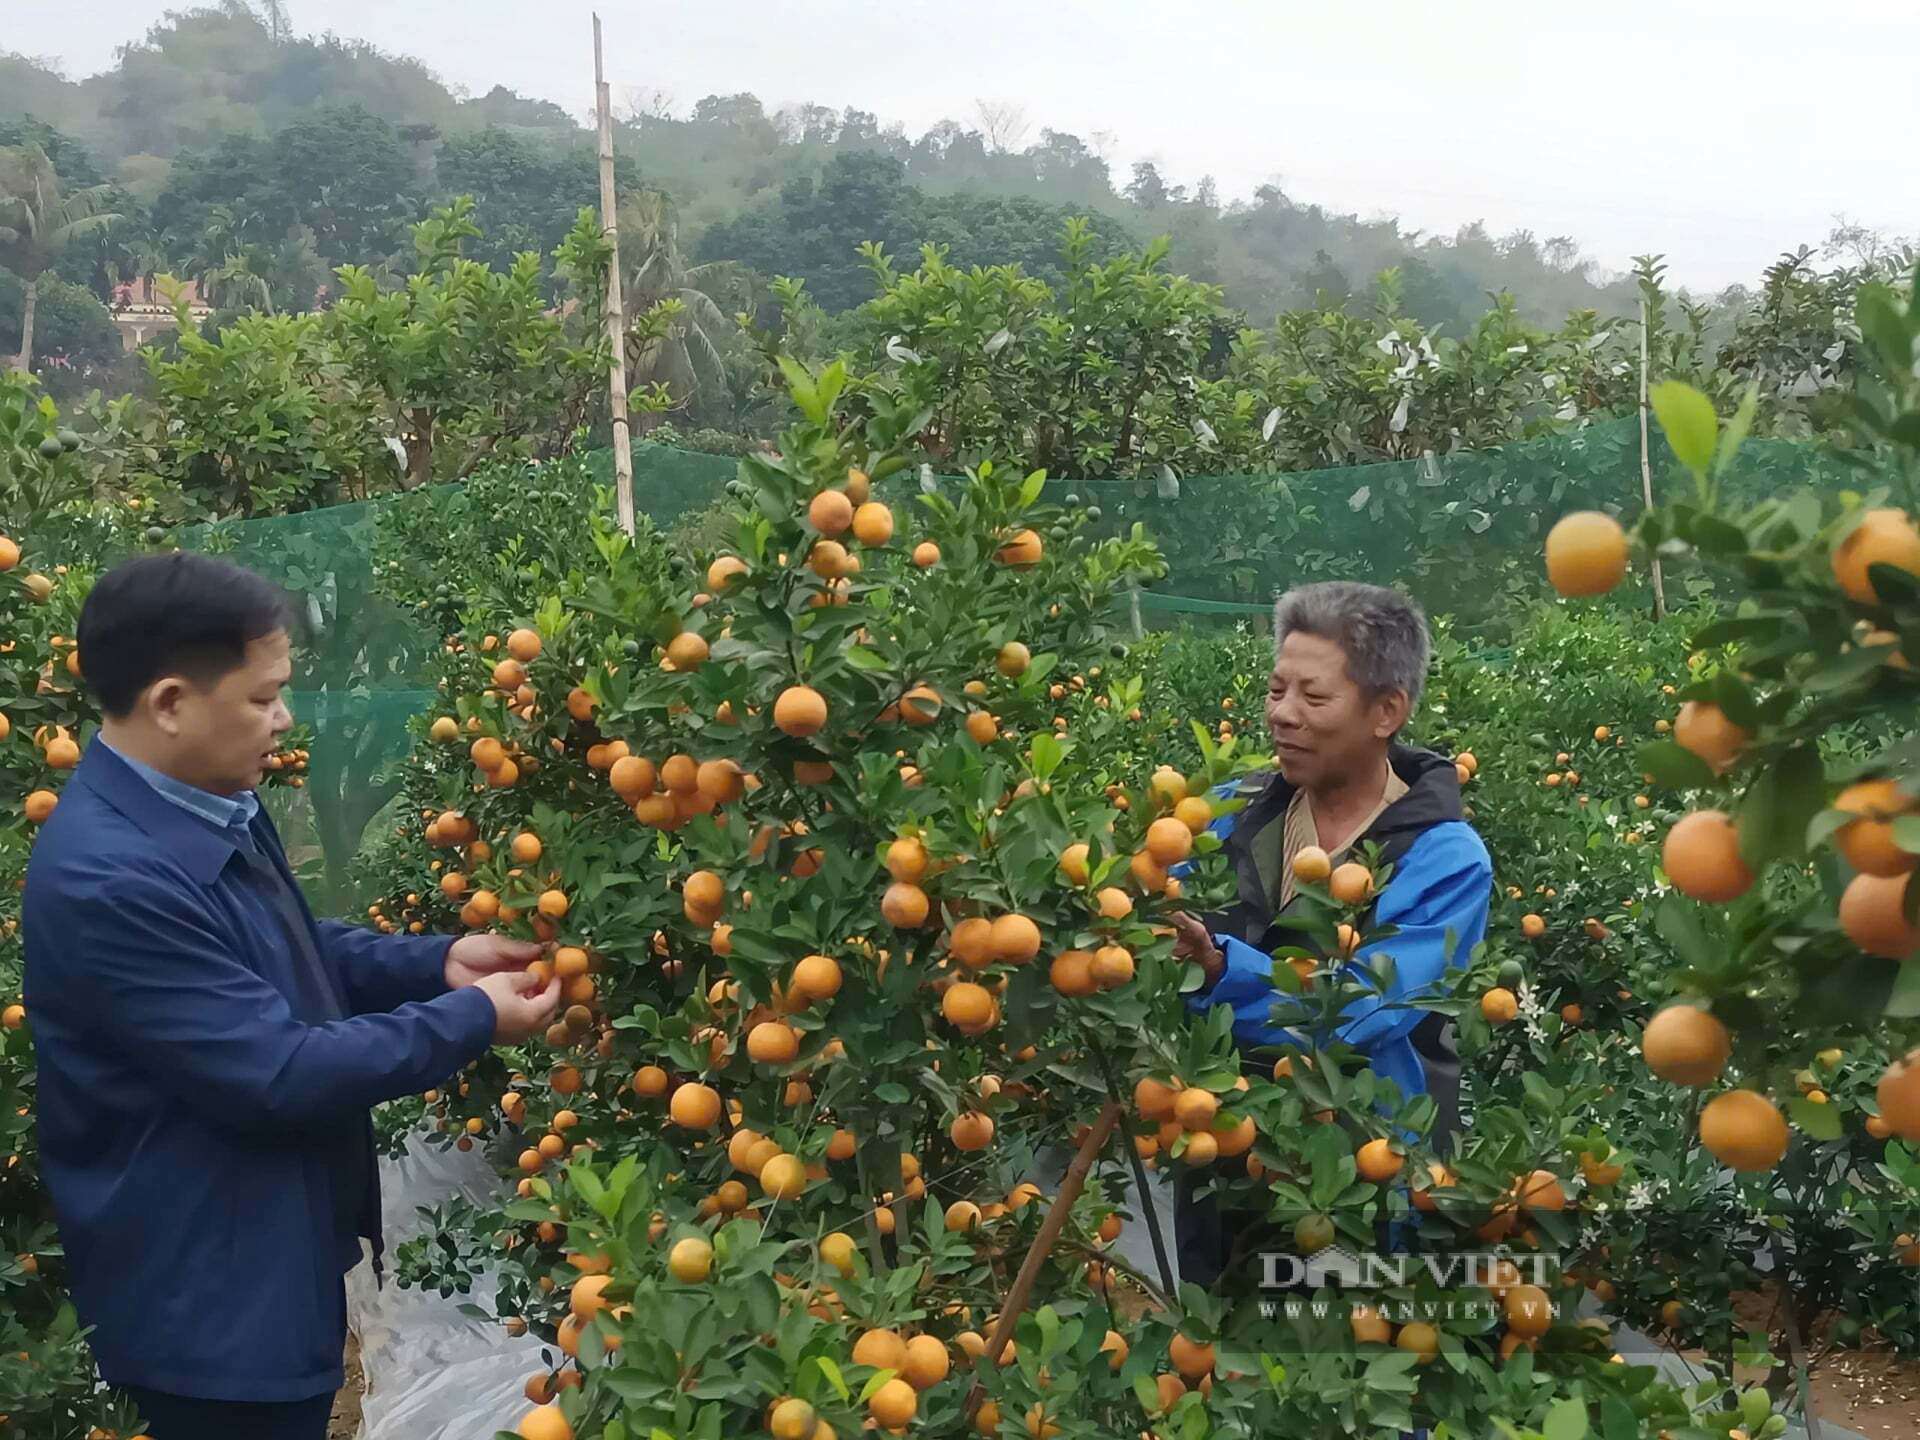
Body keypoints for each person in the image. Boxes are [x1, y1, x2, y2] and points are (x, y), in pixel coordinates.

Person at [22, 553, 561, 1440]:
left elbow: (292, 947)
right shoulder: (107, 878)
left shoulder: (208, 801)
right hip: (212, 1305)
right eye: (264, 697)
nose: (285, 718)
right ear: (171, 703)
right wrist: (474, 1016)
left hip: (268, 1250)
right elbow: (273, 1071)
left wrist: (438, 963)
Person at [1171, 581, 1491, 1289]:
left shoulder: (1442, 857)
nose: (1283, 713)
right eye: (1276, 690)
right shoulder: (1229, 812)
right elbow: (1142, 914)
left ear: (1386, 712)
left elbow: (1362, 1009)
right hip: (1219, 1149)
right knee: (1212, 1334)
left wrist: (1221, 971)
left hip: (1359, 1176)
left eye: (1313, 698)